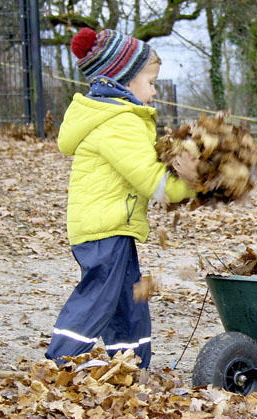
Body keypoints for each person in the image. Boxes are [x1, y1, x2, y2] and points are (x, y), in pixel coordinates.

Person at [45, 28, 199, 369]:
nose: (155, 90)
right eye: (151, 81)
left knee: (130, 300)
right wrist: (188, 182)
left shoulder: (117, 117)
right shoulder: (118, 122)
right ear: (124, 81)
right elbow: (150, 181)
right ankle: (62, 361)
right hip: (104, 227)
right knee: (100, 296)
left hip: (113, 226)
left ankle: (131, 362)